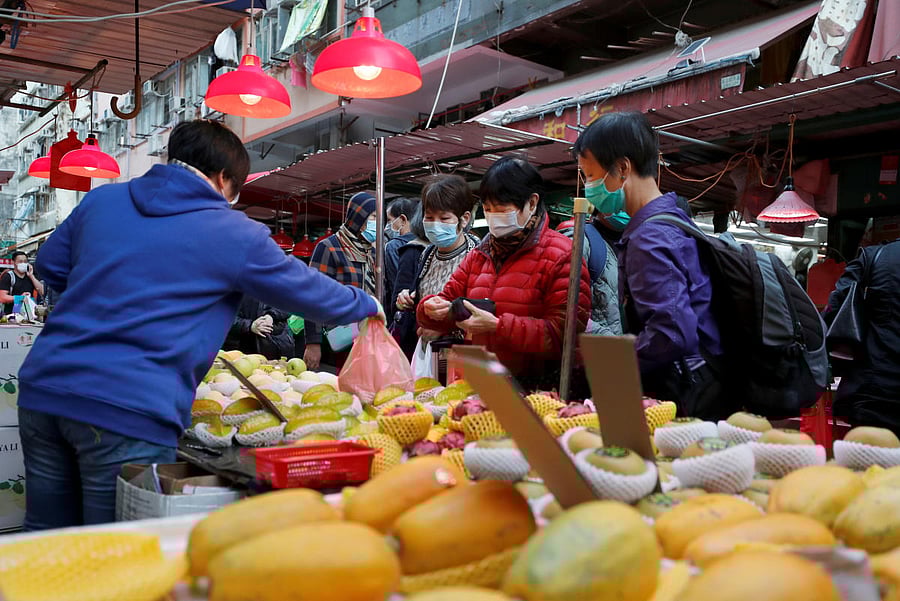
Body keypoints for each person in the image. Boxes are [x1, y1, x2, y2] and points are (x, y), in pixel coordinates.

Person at [16, 120, 381, 530]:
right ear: (224, 179)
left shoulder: (102, 201)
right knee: (111, 552)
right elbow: (305, 291)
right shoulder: (232, 232)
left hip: (44, 388)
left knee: (44, 542)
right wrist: (365, 304)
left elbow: (50, 266)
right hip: (126, 406)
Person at [573, 111, 724, 418]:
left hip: (683, 394)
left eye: (590, 176)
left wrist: (614, 360)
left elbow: (673, 333)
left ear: (623, 167)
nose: (588, 187)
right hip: (707, 381)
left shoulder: (649, 238)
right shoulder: (671, 219)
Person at [417, 157, 591, 392]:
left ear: (531, 203)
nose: (493, 217)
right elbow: (447, 298)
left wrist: (498, 326)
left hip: (538, 391)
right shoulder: (481, 254)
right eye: (488, 209)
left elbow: (563, 336)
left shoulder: (562, 255)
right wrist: (430, 308)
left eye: (501, 209)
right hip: (481, 386)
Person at [396, 175, 479, 362]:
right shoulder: (427, 254)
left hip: (462, 360)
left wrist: (444, 327)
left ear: (464, 219)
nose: (435, 224)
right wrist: (407, 299)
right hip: (428, 357)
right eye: (429, 217)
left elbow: (479, 312)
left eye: (444, 218)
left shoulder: (477, 256)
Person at [825, 239, 900, 434]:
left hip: (876, 394)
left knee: (868, 462)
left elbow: (834, 311)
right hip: (875, 393)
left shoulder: (874, 257)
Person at [304, 191, 378, 371]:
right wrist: (313, 343)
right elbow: (313, 296)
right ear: (358, 218)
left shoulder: (372, 252)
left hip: (368, 339)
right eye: (374, 217)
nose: (379, 223)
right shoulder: (329, 248)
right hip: (338, 339)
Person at [556, 213, 623, 336]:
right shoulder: (579, 240)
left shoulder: (633, 243)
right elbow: (561, 310)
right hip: (597, 349)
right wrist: (612, 343)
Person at [389, 204, 430, 357]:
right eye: (430, 217)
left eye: (444, 217)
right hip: (415, 341)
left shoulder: (471, 248)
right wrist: (403, 300)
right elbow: (397, 298)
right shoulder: (413, 250)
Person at [224, 295, 296, 360]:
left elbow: (289, 304)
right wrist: (250, 325)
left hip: (276, 345)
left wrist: (271, 316)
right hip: (238, 348)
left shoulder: (280, 281)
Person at [383, 196, 419, 319]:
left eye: (389, 220)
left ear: (403, 219)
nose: (387, 226)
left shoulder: (393, 246)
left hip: (402, 310)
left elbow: (396, 283)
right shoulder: (427, 242)